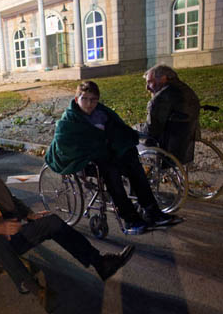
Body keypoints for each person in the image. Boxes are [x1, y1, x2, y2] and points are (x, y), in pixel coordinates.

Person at [0, 150, 135, 313]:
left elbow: (12, 200)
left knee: (52, 222)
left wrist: (29, 214)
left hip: (10, 233)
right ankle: (36, 290)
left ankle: (100, 262)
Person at [45, 81, 180, 234]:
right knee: (111, 172)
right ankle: (130, 219)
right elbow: (66, 144)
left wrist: (124, 143)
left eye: (93, 100)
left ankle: (151, 211)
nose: (89, 104)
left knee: (133, 164)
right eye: (85, 99)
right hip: (86, 160)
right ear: (77, 100)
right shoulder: (68, 120)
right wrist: (100, 146)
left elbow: (119, 131)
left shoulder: (102, 113)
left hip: (107, 154)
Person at [142, 64, 200, 164]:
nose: (147, 87)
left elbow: (152, 129)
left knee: (132, 134)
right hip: (186, 139)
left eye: (150, 82)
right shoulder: (185, 89)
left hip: (169, 143)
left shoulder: (161, 98)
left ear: (163, 79)